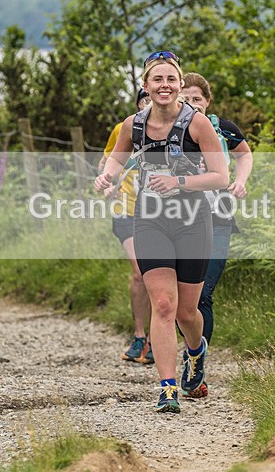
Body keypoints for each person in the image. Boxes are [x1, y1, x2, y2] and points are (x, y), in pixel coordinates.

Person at [95, 51, 229, 413]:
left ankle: (196, 352)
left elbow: (221, 176)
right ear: (145, 86)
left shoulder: (197, 124)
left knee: (187, 312)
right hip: (150, 219)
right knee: (164, 304)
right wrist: (106, 177)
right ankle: (167, 387)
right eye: (158, 80)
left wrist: (179, 181)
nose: (165, 85)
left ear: (180, 84)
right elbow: (115, 160)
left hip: (193, 221)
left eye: (171, 79)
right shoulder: (133, 125)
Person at [179, 72, 253, 399]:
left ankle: (195, 364)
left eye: (197, 98)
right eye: (186, 98)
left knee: (203, 295)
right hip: (179, 219)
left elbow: (245, 153)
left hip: (219, 217)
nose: (191, 104)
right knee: (183, 300)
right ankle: (190, 350)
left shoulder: (221, 126)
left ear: (207, 101)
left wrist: (241, 180)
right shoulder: (168, 130)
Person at [99, 88, 154, 364]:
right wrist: (108, 183)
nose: (149, 105)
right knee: (140, 271)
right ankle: (139, 335)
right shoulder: (125, 127)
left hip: (157, 213)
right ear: (137, 104)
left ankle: (156, 339)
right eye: (144, 101)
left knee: (155, 274)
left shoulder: (170, 130)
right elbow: (108, 160)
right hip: (126, 211)